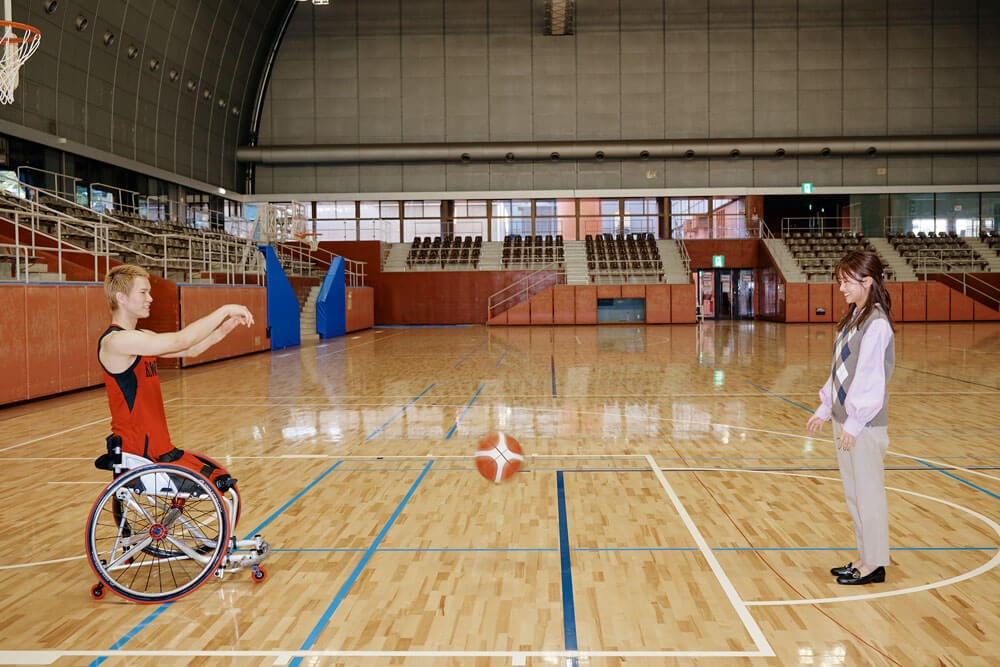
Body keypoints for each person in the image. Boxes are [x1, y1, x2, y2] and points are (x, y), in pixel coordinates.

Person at [97, 264, 254, 486]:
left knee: (220, 478)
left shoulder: (141, 336)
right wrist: (225, 309)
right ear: (121, 298)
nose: (150, 298)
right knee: (212, 484)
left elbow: (190, 350)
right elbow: (183, 340)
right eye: (143, 292)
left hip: (162, 449)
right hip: (141, 452)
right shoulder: (116, 341)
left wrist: (222, 329)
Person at [806, 250, 895, 586]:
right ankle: (864, 557)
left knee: (869, 493)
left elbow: (871, 379)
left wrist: (855, 423)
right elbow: (840, 372)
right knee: (855, 494)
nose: (841, 288)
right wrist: (825, 408)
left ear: (867, 281)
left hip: (865, 426)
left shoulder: (876, 324)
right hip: (847, 423)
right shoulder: (853, 318)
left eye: (846, 281)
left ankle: (874, 563)